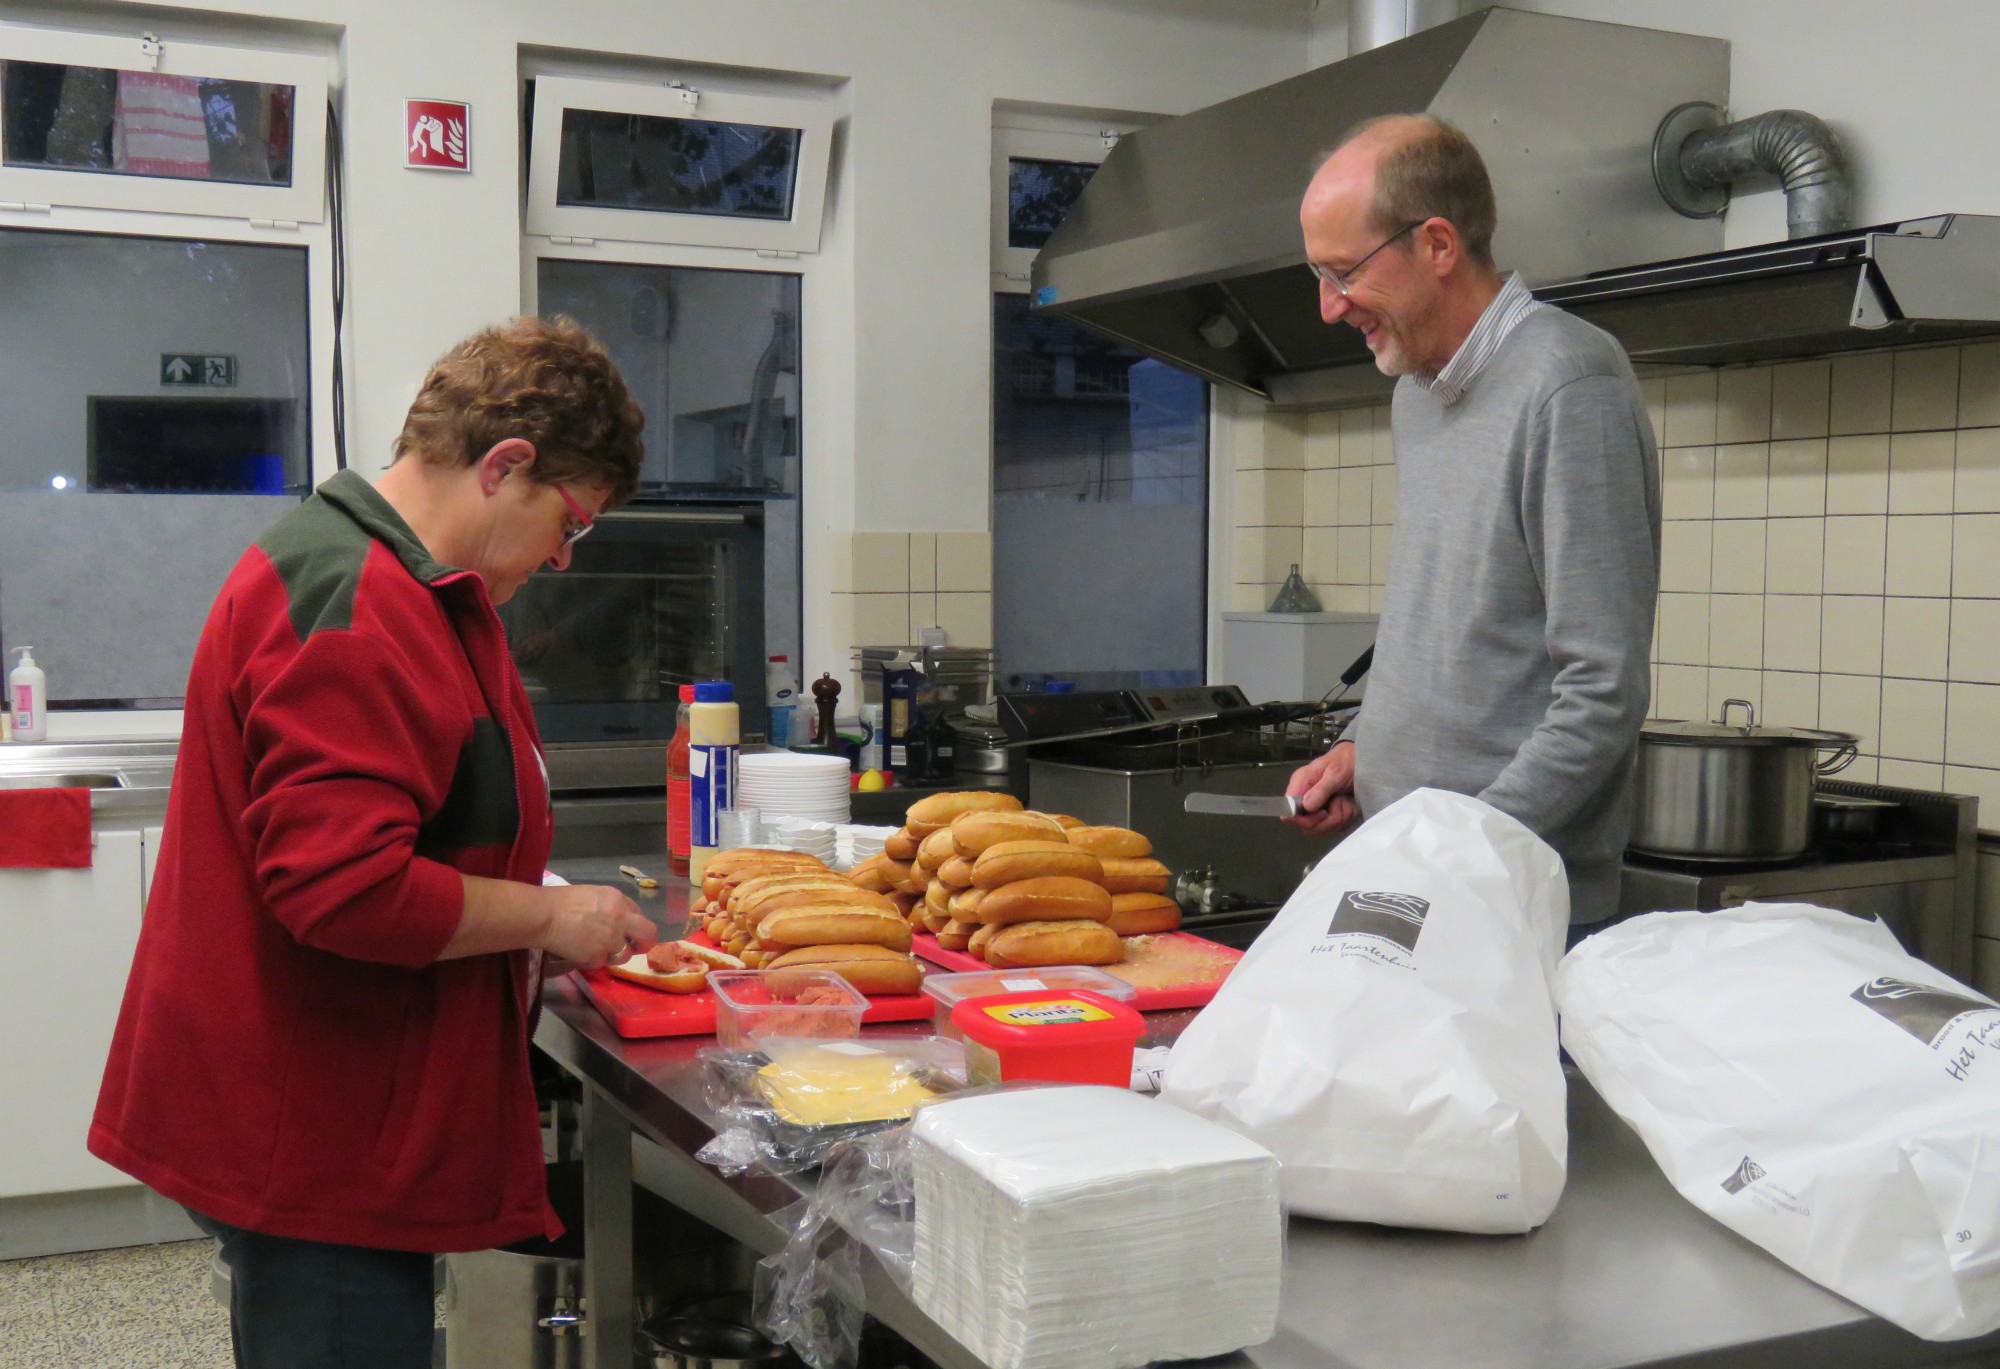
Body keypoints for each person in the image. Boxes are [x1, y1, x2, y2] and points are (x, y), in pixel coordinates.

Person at [89, 316, 660, 1369]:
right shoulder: (357, 606)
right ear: (505, 465)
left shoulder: (414, 588)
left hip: (327, 1108)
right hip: (313, 1127)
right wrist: (550, 914)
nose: (563, 556)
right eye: (568, 522)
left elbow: (422, 810)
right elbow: (343, 890)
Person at [1283, 114, 1660, 931]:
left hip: (1510, 901)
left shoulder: (1569, 383)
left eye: (1343, 271)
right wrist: (1363, 749)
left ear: (1439, 245)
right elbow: (1442, 627)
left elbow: (1603, 690)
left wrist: (1458, 848)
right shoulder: (1417, 395)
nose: (1327, 306)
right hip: (1410, 875)